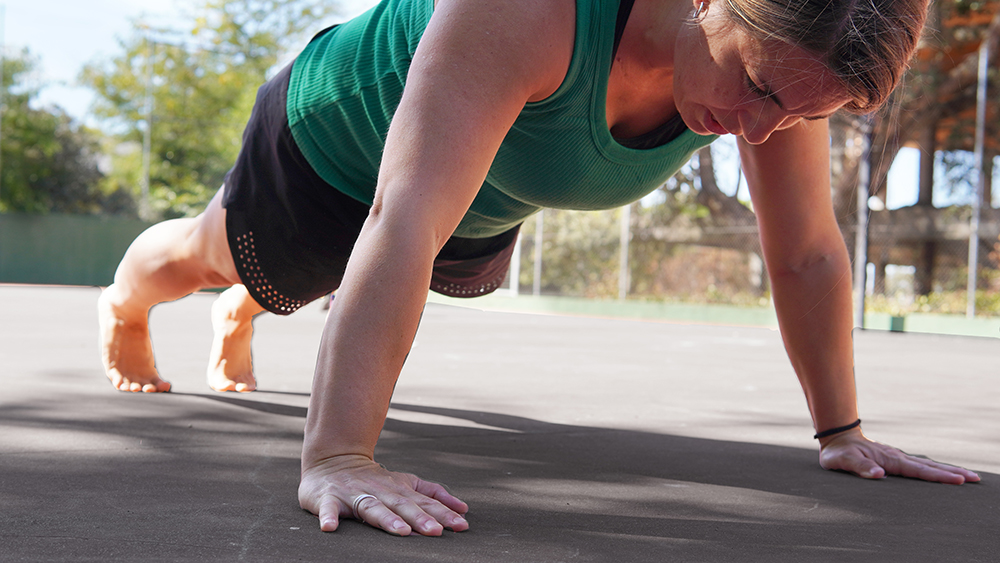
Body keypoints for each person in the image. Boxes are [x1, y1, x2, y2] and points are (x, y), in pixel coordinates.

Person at [98, 0, 981, 537]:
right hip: (337, 144)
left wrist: (843, 432)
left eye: (792, 114)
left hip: (483, 190)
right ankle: (129, 303)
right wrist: (338, 457)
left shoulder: (785, 66)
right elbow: (401, 215)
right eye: (756, 89)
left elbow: (806, 250)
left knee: (346, 274)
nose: (761, 130)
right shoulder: (534, 10)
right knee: (210, 257)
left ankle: (258, 306)